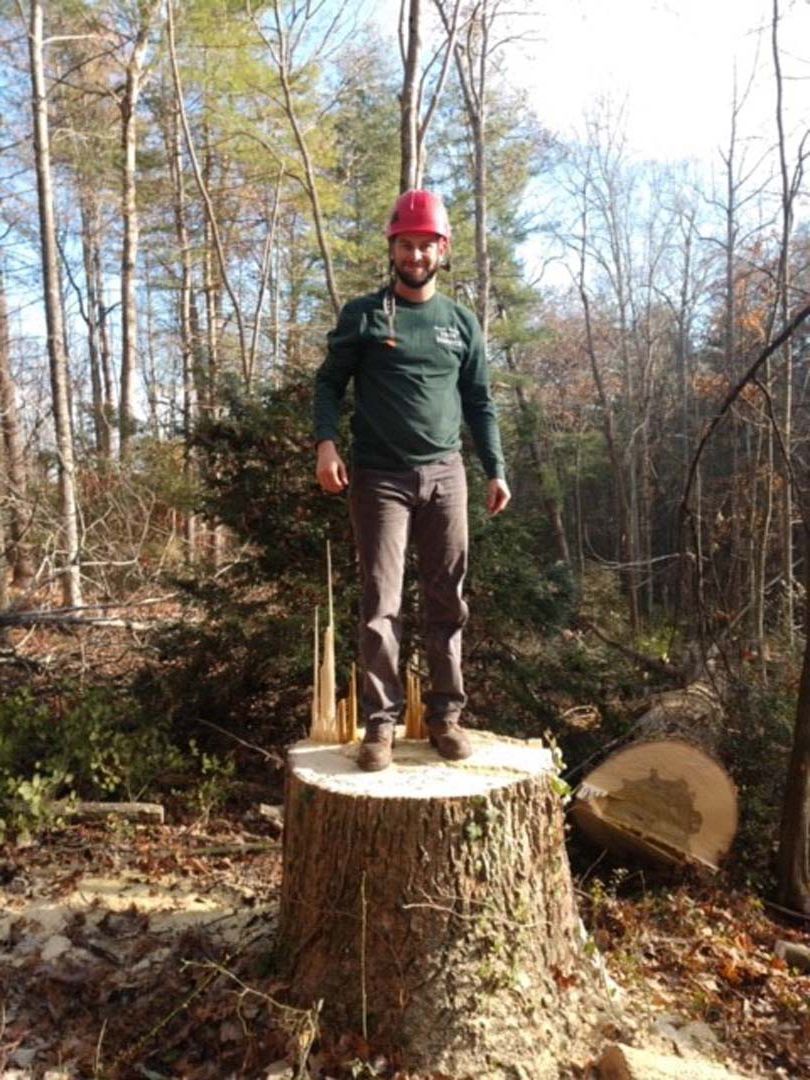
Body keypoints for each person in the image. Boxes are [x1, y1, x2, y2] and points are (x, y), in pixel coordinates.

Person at [314, 189, 510, 772]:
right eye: (406, 244)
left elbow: (480, 401)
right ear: (393, 248)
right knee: (382, 602)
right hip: (380, 478)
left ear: (442, 250)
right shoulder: (365, 315)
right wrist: (326, 444)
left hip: (446, 475)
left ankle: (446, 716)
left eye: (426, 244)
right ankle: (380, 725)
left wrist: (496, 468)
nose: (416, 254)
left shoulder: (460, 323)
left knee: (448, 598)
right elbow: (329, 384)